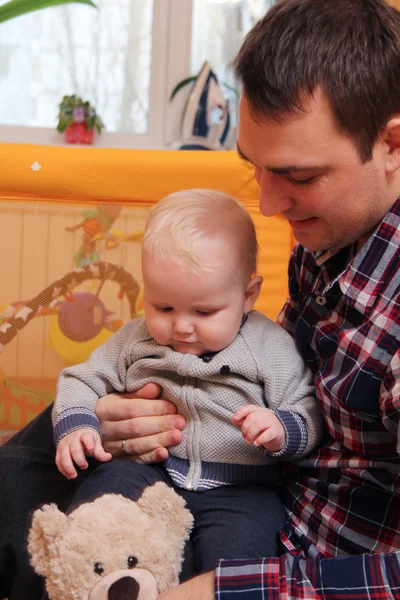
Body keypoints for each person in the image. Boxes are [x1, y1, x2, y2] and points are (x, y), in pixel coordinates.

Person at [1, 0, 399, 598]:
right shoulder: (333, 235)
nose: (268, 205)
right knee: (50, 437)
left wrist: (226, 587)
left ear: (393, 143)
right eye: (255, 168)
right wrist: (108, 421)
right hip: (192, 465)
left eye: (299, 177)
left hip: (275, 541)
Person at [52, 189, 321, 575]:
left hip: (242, 491)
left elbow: (307, 408)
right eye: (163, 306)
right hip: (147, 470)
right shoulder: (136, 339)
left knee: (240, 560)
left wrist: (281, 429)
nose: (180, 326)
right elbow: (82, 378)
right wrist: (76, 425)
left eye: (204, 311)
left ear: (248, 295)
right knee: (101, 510)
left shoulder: (269, 347)